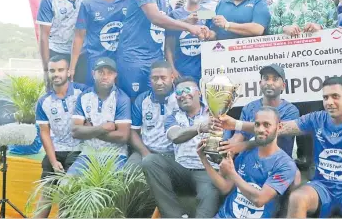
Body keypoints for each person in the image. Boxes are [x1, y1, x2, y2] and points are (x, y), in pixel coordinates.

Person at [216, 77, 342, 218]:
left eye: (335, 96)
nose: (329, 102)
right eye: (325, 97)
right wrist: (237, 124)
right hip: (321, 186)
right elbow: (279, 127)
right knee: (297, 198)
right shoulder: (317, 118)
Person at [116, 0, 209, 99]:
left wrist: (193, 25)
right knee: (135, 101)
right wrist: (189, 26)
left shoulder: (206, 11)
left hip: (156, 58)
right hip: (135, 57)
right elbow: (156, 18)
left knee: (154, 103)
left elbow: (215, 24)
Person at [199, 106, 298, 218]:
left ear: (278, 127)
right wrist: (204, 159)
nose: (260, 129)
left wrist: (232, 173)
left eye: (266, 125)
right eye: (257, 124)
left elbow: (259, 199)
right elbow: (225, 188)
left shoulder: (285, 164)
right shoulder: (246, 153)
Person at [147, 76, 219, 217]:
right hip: (181, 170)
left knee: (209, 193)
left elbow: (218, 154)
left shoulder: (214, 114)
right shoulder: (172, 117)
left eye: (187, 90)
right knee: (150, 161)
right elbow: (175, 136)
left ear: (199, 93)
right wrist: (199, 128)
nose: (183, 95)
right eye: (178, 93)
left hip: (206, 170)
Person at [34, 55, 87, 218]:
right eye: (52, 70)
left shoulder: (83, 92)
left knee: (67, 193)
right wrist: (53, 160)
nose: (56, 74)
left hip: (79, 151)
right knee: (47, 194)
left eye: (60, 70)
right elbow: (44, 132)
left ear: (69, 72)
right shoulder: (43, 101)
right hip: (56, 152)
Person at [36, 0, 98, 86]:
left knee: (82, 92)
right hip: (57, 52)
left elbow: (106, 2)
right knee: (57, 93)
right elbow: (43, 37)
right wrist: (46, 69)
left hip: (82, 53)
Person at [70, 57, 131, 174]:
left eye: (109, 73)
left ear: (115, 75)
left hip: (115, 154)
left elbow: (123, 136)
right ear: (93, 74)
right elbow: (75, 132)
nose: (105, 76)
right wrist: (103, 128)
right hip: (88, 154)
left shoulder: (122, 98)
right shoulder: (84, 97)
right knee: (66, 185)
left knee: (116, 189)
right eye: (101, 72)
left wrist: (90, 130)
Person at [71, 0, 127, 87]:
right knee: (95, 99)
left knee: (121, 97)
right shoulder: (88, 5)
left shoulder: (128, 1)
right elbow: (79, 37)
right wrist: (72, 68)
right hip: (96, 61)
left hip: (122, 61)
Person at [228, 64, 299, 157]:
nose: (269, 83)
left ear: (283, 86)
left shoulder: (290, 111)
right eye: (266, 78)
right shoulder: (249, 108)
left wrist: (241, 144)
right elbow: (237, 137)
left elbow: (270, 136)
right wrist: (225, 149)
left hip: (277, 167)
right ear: (260, 83)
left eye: (275, 79)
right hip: (247, 167)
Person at [127, 61, 178, 167]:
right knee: (128, 173)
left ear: (172, 77)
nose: (159, 82)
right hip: (147, 150)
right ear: (150, 80)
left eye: (163, 78)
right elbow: (133, 132)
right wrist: (146, 154)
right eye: (155, 78)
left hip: (174, 153)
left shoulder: (181, 97)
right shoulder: (142, 99)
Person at [165, 0, 215, 83]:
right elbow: (168, 46)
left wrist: (208, 34)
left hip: (204, 72)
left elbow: (214, 39)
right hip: (181, 72)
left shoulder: (208, 13)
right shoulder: (174, 14)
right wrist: (172, 69)